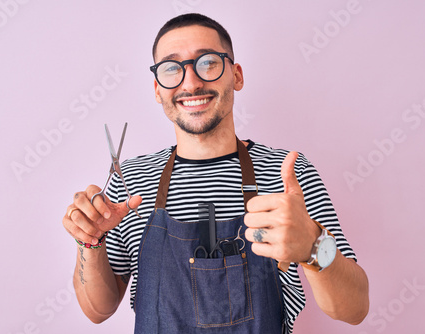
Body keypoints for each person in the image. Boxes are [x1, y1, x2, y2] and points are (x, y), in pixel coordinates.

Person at [62, 13, 369, 333]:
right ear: (157, 89)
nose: (191, 82)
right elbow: (98, 310)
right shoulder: (131, 182)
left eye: (208, 62)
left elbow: (355, 308)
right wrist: (90, 241)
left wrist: (314, 245)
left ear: (236, 75)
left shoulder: (286, 174)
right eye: (171, 68)